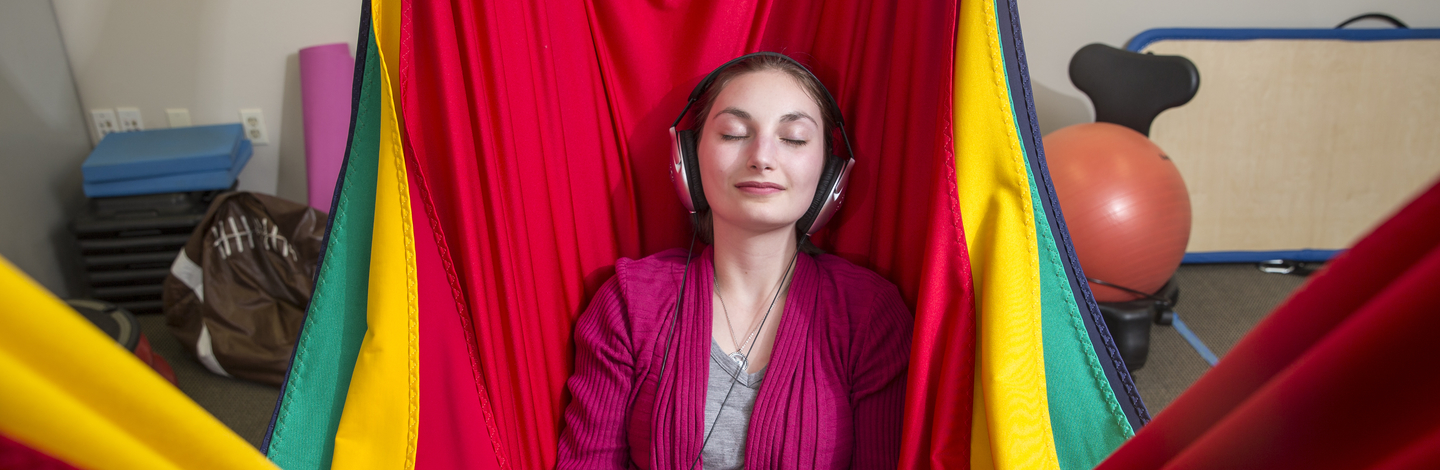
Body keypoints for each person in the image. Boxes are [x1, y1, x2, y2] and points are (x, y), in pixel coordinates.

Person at [557, 53, 913, 470]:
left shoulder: (869, 316)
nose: (762, 157)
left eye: (794, 138)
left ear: (831, 176)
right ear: (686, 160)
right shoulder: (629, 302)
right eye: (733, 133)